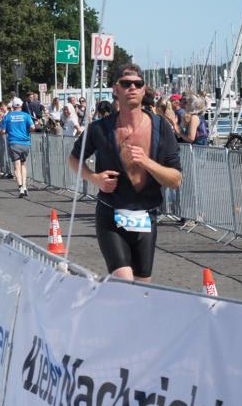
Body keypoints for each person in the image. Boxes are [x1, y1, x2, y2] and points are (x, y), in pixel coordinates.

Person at [68, 63, 182, 283]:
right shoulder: (99, 129)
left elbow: (176, 179)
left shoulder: (161, 128)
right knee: (124, 282)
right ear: (115, 89)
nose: (132, 88)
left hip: (146, 217)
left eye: (137, 84)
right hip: (111, 215)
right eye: (126, 83)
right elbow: (74, 159)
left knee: (142, 288)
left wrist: (147, 162)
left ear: (143, 89)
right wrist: (94, 178)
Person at [1, 97, 34, 197]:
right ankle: (24, 186)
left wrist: (8, 131)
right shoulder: (26, 116)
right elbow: (32, 128)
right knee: (23, 165)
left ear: (12, 106)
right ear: (21, 105)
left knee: (16, 166)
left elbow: (2, 131)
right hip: (25, 143)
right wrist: (26, 131)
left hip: (14, 143)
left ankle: (20, 188)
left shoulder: (7, 117)